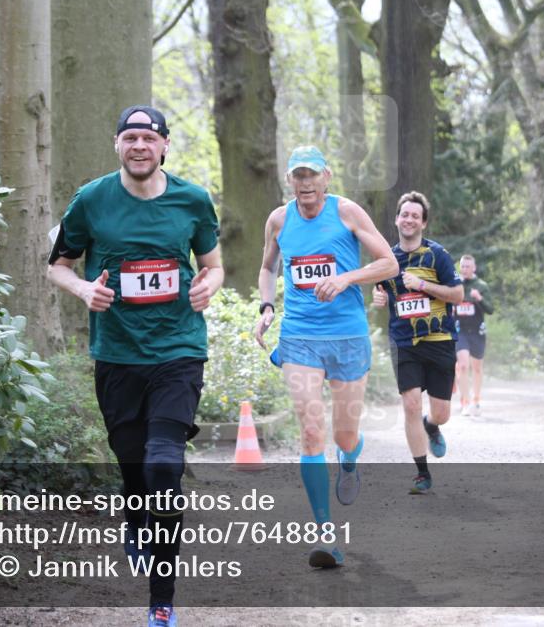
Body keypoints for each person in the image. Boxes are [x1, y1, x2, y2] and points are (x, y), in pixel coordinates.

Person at [47, 105, 223, 627]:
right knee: (132, 463)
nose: (139, 146)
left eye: (149, 137)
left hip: (178, 350)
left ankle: (161, 602)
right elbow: (59, 266)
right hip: (118, 355)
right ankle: (135, 512)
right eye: (130, 137)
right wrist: (84, 289)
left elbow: (213, 267)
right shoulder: (92, 199)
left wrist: (207, 287)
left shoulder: (192, 200)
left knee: (165, 465)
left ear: (164, 145)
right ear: (117, 145)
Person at [253, 145, 397, 568]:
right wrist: (266, 307)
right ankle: (325, 534)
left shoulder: (348, 212)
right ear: (290, 180)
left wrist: (347, 277)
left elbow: (388, 263)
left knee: (343, 436)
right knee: (312, 432)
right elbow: (267, 267)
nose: (305, 183)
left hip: (348, 337)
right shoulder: (279, 220)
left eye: (312, 175)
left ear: (326, 177)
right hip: (300, 338)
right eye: (298, 175)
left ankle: (349, 460)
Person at [372, 191, 463, 494]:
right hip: (404, 342)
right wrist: (379, 297)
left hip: (440, 340)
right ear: (397, 219)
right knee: (410, 404)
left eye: (415, 215)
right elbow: (380, 291)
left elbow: (457, 295)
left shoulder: (437, 255)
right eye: (404, 214)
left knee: (441, 413)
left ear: (423, 223)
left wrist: (423, 284)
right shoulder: (387, 258)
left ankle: (432, 425)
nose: (409, 219)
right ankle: (422, 473)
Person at [455, 254, 494, 415]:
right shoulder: (455, 284)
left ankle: (476, 399)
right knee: (463, 365)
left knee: (477, 367)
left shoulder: (481, 285)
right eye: (462, 266)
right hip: (460, 331)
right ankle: (465, 402)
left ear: (474, 268)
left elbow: (490, 309)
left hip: (477, 332)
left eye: (467, 266)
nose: (464, 269)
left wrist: (479, 299)